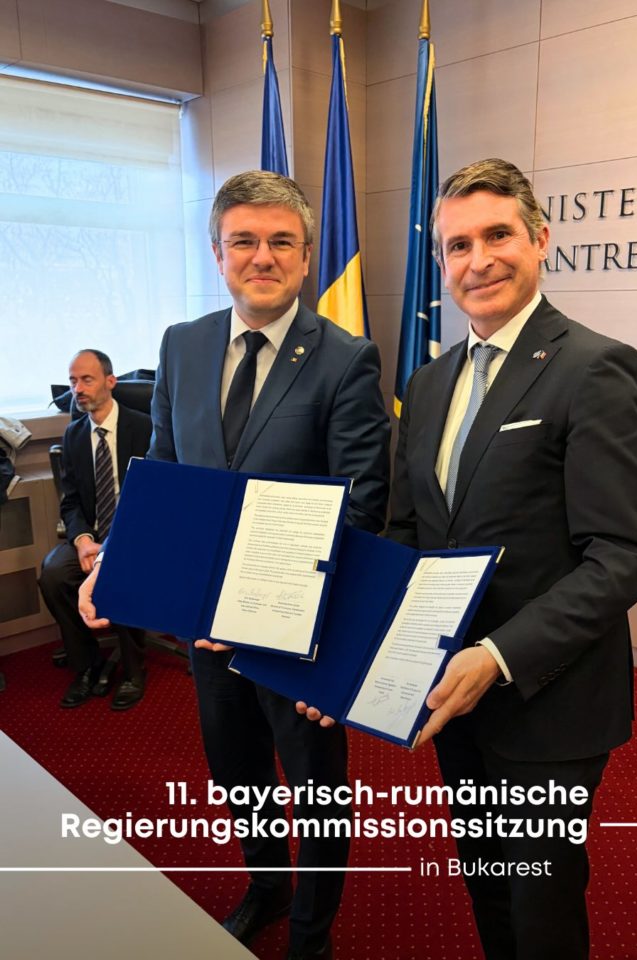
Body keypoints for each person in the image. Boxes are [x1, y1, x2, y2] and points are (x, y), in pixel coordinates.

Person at [79, 171, 390, 960]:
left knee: (315, 787)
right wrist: (116, 564)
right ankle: (268, 887)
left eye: (281, 241)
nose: (262, 257)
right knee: (239, 773)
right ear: (217, 253)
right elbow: (163, 473)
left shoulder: (346, 358)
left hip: (296, 632)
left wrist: (264, 608)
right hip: (204, 629)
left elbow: (361, 504)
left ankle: (312, 933)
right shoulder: (181, 344)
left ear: (307, 255)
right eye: (243, 241)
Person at [387, 158, 637, 959]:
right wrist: (352, 650)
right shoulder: (427, 384)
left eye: (498, 235)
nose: (478, 261)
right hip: (451, 694)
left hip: (549, 700)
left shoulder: (595, 367)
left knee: (541, 903)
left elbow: (623, 556)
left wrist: (499, 656)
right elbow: (409, 533)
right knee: (486, 879)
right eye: (458, 245)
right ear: (441, 263)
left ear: (540, 239)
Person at [39, 349, 152, 711]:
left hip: (134, 535)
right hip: (93, 535)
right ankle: (87, 665)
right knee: (53, 574)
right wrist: (83, 540)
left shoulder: (145, 428)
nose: (78, 389)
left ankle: (134, 671)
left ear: (111, 381)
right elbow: (70, 501)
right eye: (73, 381)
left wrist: (113, 545)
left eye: (87, 379)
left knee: (118, 571)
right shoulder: (74, 435)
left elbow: (154, 497)